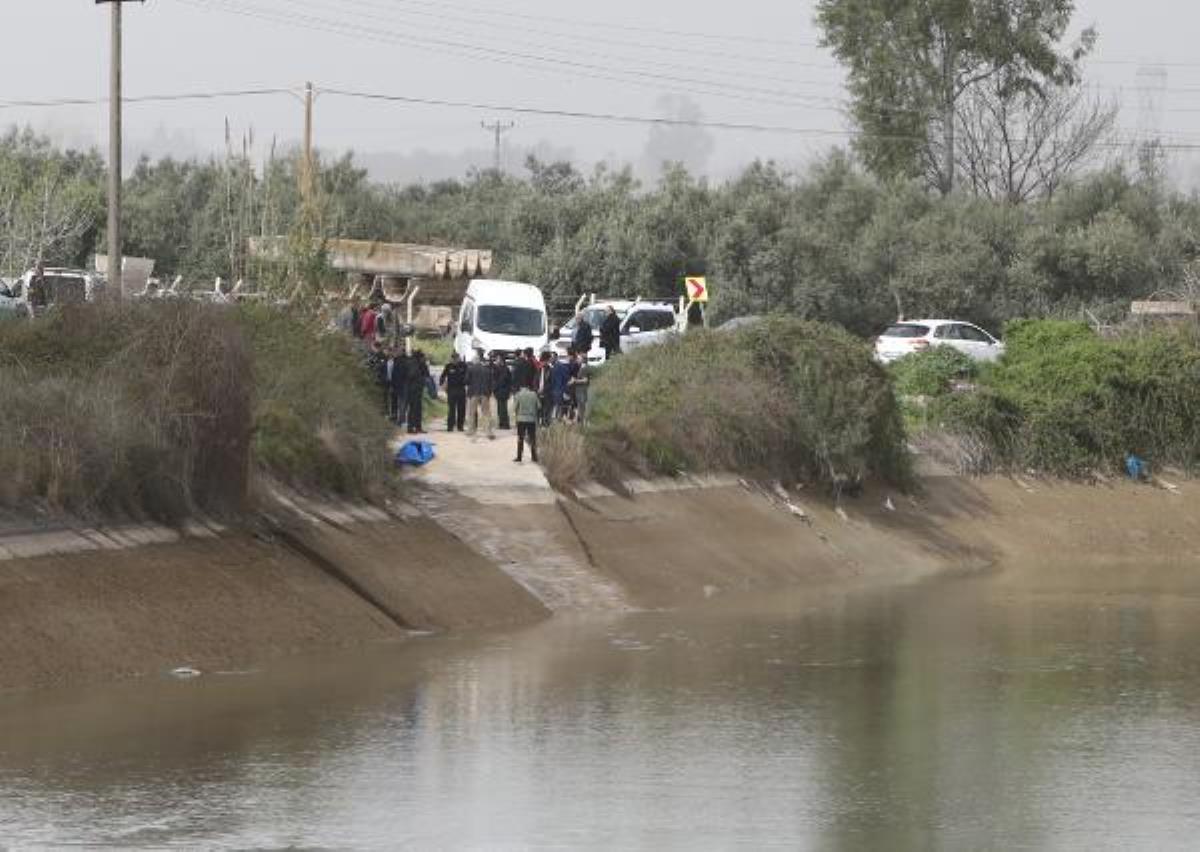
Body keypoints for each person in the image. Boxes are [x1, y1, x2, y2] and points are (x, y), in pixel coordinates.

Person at [466, 349, 495, 439]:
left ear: (475, 361)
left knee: (472, 413)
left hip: (473, 393)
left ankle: (471, 430)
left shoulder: (471, 369)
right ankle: (488, 432)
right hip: (485, 393)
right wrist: (489, 393)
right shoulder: (487, 370)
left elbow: (466, 381)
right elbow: (491, 382)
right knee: (486, 413)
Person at [440, 352, 469, 432]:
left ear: (459, 358)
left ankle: (460, 426)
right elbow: (443, 376)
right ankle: (450, 426)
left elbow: (468, 376)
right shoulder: (448, 366)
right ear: (452, 359)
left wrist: (467, 383)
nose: (455, 359)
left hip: (461, 389)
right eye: (454, 358)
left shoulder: (464, 366)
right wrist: (442, 384)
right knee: (451, 409)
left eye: (456, 358)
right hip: (451, 390)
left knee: (461, 409)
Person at [405, 350, 431, 434]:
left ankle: (418, 427)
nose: (424, 359)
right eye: (423, 357)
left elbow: (427, 374)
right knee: (413, 409)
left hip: (418, 389)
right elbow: (411, 375)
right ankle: (410, 427)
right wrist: (420, 376)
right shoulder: (412, 364)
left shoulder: (421, 364)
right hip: (412, 389)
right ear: (420, 357)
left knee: (418, 409)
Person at [513, 382, 540, 464]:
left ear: (521, 387)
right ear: (528, 387)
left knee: (520, 438)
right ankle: (534, 456)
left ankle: (519, 457)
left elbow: (515, 408)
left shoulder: (518, 395)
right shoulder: (534, 394)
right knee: (532, 438)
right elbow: (539, 406)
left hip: (521, 419)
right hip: (531, 419)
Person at [387, 347, 409, 426]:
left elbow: (393, 374)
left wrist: (392, 385)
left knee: (399, 402)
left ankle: (399, 419)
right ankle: (401, 419)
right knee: (402, 403)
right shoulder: (406, 361)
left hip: (398, 384)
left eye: (397, 351)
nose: (395, 353)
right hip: (404, 384)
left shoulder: (396, 361)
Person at [492, 352, 514, 430]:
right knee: (500, 408)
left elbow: (505, 380)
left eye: (497, 359)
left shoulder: (504, 369)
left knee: (502, 408)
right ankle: (502, 423)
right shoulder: (498, 368)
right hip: (500, 390)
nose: (496, 360)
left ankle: (505, 424)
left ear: (501, 360)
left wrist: (495, 388)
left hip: (502, 390)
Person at [550, 349, 574, 421]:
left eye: (552, 358)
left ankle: (558, 422)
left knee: (558, 409)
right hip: (559, 391)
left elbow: (565, 380)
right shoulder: (561, 367)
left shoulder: (557, 367)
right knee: (559, 409)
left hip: (558, 391)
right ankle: (559, 421)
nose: (551, 359)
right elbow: (567, 380)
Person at [570, 355, 592, 424]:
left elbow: (585, 380)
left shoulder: (584, 368)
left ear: (583, 360)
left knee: (582, 408)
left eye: (579, 358)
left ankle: (584, 423)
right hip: (580, 390)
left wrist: (575, 381)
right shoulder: (582, 367)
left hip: (582, 390)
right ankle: (582, 422)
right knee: (581, 408)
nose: (577, 359)